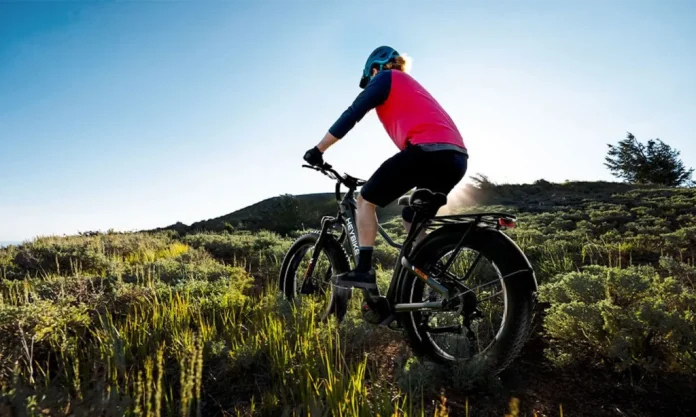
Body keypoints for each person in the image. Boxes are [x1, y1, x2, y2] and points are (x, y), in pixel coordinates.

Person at [303, 45, 468, 290]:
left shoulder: (385, 77)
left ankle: (364, 271)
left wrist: (319, 150)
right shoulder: (410, 84)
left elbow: (352, 114)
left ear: (375, 68)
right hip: (456, 158)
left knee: (365, 201)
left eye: (370, 76)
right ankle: (434, 283)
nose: (371, 81)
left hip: (426, 152)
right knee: (412, 219)